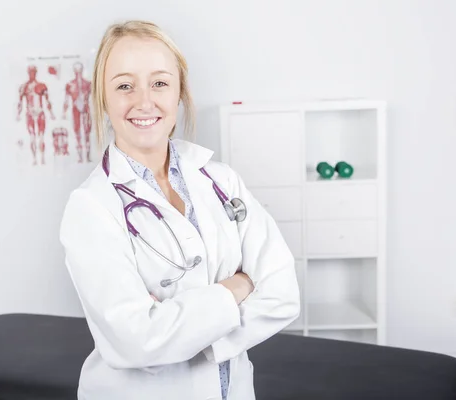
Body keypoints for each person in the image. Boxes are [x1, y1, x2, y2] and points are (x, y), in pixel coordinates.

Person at [59, 20, 300, 400]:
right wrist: (239, 285)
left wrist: (181, 332)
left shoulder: (220, 180)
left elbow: (283, 294)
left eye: (159, 83)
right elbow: (137, 340)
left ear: (179, 92)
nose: (144, 101)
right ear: (103, 98)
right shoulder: (91, 207)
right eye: (124, 85)